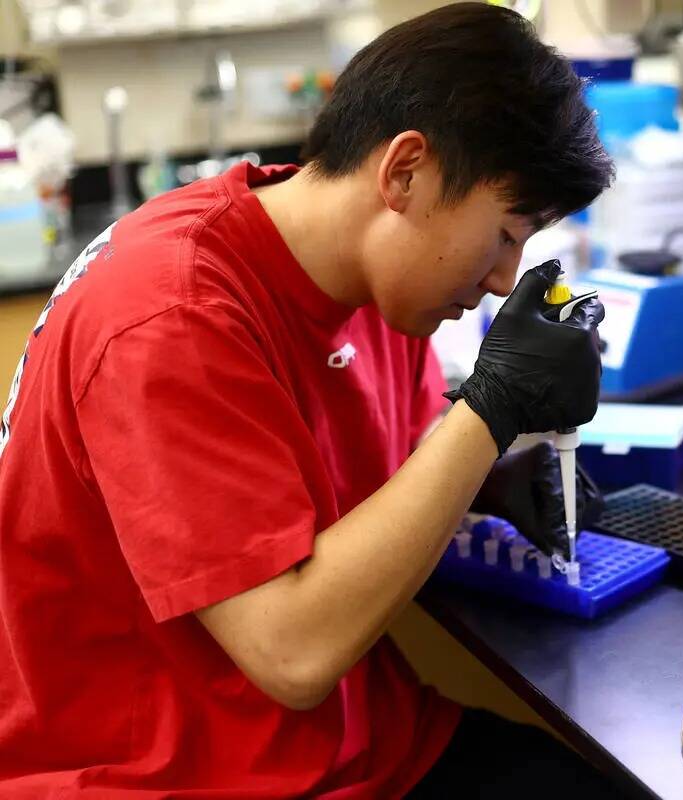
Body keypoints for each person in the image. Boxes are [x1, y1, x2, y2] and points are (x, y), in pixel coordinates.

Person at [0, 4, 622, 797]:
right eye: (505, 232)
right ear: (404, 173)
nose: (506, 278)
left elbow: (363, 478)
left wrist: (488, 482)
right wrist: (490, 410)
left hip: (358, 745)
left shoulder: (385, 279)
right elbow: (291, 656)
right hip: (169, 775)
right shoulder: (171, 317)